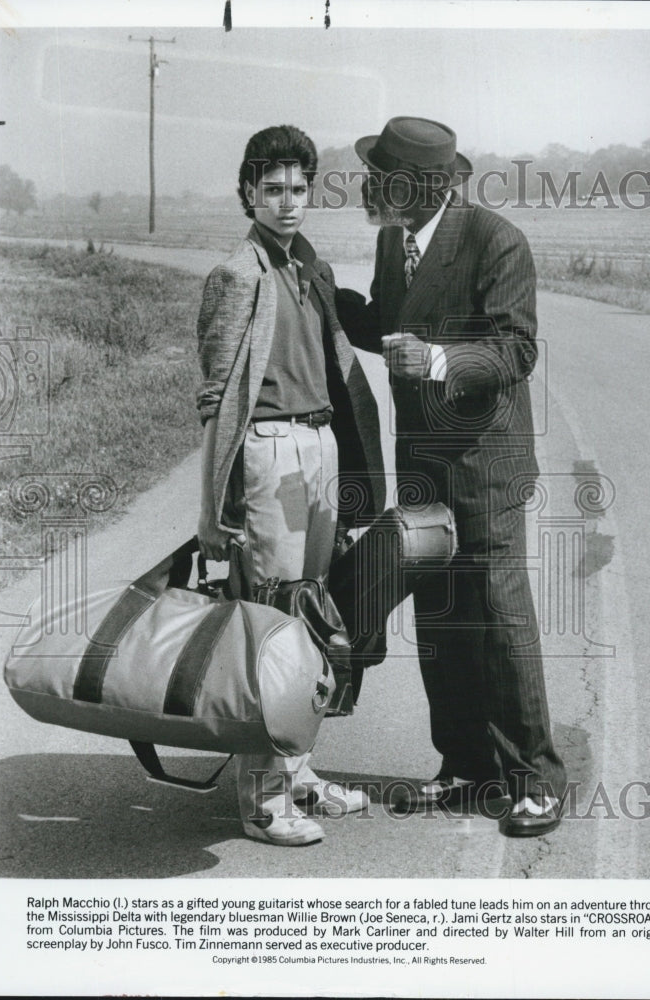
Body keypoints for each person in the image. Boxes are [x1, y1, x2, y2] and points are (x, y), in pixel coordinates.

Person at [335, 116, 567, 837]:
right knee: (440, 618)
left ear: (425, 184)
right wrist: (316, 289)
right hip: (425, 468)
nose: (370, 187)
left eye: (384, 177)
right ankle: (468, 768)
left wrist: (436, 361)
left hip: (485, 466)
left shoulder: (496, 240)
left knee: (497, 617)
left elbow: (513, 350)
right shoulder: (390, 238)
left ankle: (535, 779)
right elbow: (383, 319)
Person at [196, 125, 385, 846]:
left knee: (313, 617)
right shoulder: (237, 273)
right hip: (269, 449)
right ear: (248, 191)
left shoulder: (311, 268)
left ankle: (299, 771)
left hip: (321, 445)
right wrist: (215, 507)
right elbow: (215, 398)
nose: (286, 202)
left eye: (298, 189)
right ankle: (261, 798)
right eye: (272, 189)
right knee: (268, 624)